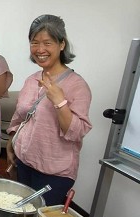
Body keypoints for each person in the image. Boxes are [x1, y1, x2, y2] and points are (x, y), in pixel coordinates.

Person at [7, 14, 92, 206]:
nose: (40, 49)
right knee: (21, 214)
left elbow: (77, 132)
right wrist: (12, 142)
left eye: (47, 43)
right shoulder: (32, 80)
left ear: (62, 44)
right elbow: (20, 117)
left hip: (54, 173)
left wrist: (60, 102)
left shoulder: (77, 86)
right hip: (23, 162)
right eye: (34, 43)